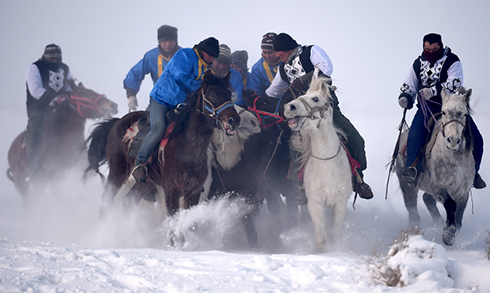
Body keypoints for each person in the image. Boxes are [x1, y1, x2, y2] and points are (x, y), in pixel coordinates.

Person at [265, 33, 373, 200]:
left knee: (356, 140)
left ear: (288, 49)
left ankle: (359, 179)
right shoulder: (282, 69)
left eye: (280, 52)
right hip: (303, 117)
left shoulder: (311, 52)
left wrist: (306, 80)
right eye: (277, 52)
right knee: (295, 146)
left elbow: (326, 67)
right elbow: (273, 91)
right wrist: (258, 100)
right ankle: (299, 185)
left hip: (327, 110)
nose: (277, 55)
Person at [398, 33, 486, 189]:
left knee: (477, 138)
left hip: (452, 108)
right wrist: (405, 96)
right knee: (415, 134)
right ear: (423, 47)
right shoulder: (418, 64)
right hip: (426, 109)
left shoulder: (453, 61)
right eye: (427, 49)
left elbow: (454, 84)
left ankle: (474, 172)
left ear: (441, 46)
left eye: (434, 49)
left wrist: (433, 91)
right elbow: (409, 83)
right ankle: (412, 169)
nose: (430, 52)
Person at [132, 37, 220, 182]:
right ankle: (139, 163)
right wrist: (202, 88)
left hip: (181, 105)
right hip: (161, 100)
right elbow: (180, 76)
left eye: (213, 56)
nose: (211, 58)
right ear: (202, 51)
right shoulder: (185, 54)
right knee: (159, 128)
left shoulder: (206, 68)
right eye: (209, 54)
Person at [25, 44, 76, 176]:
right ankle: (34, 168)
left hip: (61, 111)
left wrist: (69, 95)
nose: (55, 61)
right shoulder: (35, 68)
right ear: (45, 57)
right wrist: (54, 99)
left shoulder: (64, 68)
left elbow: (69, 86)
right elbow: (35, 90)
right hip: (39, 111)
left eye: (57, 59)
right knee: (35, 132)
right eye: (52, 59)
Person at [123, 25, 181, 112]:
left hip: (183, 100)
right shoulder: (151, 57)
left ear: (176, 41)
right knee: (156, 124)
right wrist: (131, 95)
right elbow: (136, 73)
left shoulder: (184, 55)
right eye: (164, 41)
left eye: (171, 40)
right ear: (159, 42)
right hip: (159, 100)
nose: (168, 44)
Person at [248, 32, 282, 97]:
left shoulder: (286, 60)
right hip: (271, 102)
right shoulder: (257, 69)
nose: (267, 56)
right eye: (264, 52)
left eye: (270, 52)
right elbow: (255, 92)